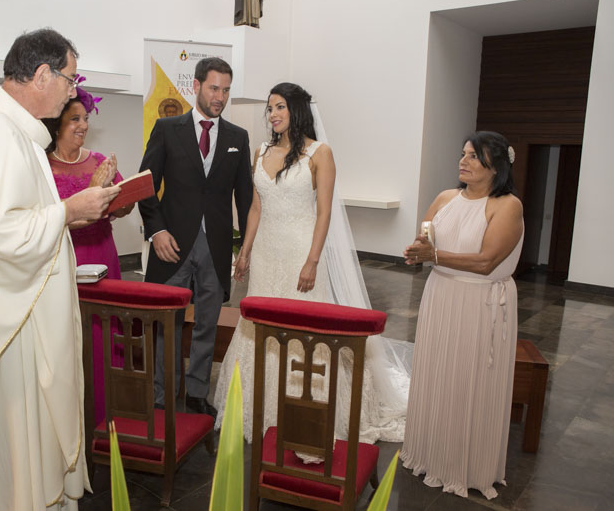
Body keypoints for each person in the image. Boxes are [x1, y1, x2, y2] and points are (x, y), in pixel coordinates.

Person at [0, 29, 120, 510]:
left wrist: (66, 214)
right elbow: (0, 235)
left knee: (14, 451)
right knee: (19, 448)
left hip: (10, 314)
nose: (72, 92)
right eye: (70, 79)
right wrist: (69, 210)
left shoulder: (0, 129)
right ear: (42, 74)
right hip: (14, 328)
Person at [212, 82, 410, 447]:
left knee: (302, 330)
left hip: (301, 251)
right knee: (260, 326)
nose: (273, 114)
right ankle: (261, 408)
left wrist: (313, 261)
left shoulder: (320, 153)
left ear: (297, 110)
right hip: (267, 253)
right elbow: (255, 207)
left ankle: (306, 411)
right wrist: (246, 252)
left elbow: (324, 213)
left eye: (280, 107)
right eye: (270, 107)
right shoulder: (260, 151)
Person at [400, 131, 524, 499]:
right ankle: (429, 452)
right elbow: (426, 238)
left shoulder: (507, 206)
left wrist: (433, 256)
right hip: (441, 295)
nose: (463, 161)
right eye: (463, 154)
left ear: (495, 166)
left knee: (470, 377)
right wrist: (418, 250)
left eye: (473, 156)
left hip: (480, 303)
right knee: (437, 370)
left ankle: (466, 463)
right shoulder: (445, 198)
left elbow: (487, 262)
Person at [138, 57, 253, 417]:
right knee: (166, 324)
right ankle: (162, 394)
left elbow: (245, 197)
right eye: (214, 88)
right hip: (171, 245)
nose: (220, 97)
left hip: (216, 247)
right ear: (197, 86)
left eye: (226, 90)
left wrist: (245, 248)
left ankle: (197, 393)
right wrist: (157, 231)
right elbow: (145, 186)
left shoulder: (237, 137)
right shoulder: (166, 129)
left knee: (207, 323)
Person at [41, 85, 134, 425]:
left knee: (103, 335)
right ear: (56, 124)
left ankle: (106, 412)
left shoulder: (99, 161)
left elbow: (122, 207)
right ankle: (68, 418)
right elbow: (47, 218)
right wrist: (94, 188)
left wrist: (119, 197)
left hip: (103, 254)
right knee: (67, 337)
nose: (83, 125)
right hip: (64, 258)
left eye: (85, 119)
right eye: (74, 119)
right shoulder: (42, 166)